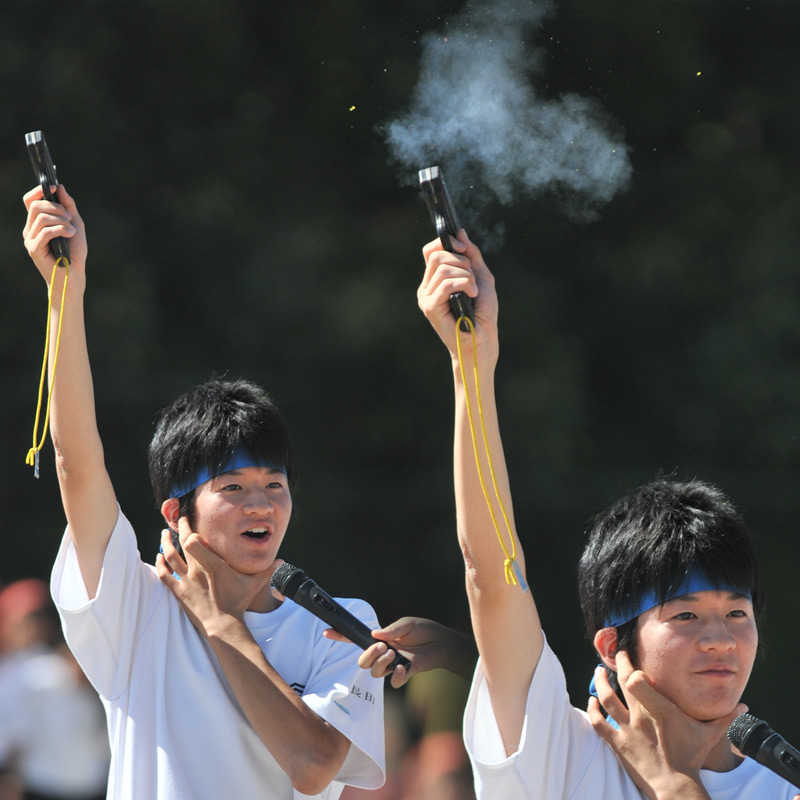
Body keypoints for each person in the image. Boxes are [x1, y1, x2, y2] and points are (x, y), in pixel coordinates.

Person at [354, 228, 797, 799]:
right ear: (613, 647)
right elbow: (492, 573)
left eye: (737, 613)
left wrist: (672, 785)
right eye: (686, 615)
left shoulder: (781, 786)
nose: (721, 640)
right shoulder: (559, 755)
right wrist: (472, 363)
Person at [21, 184, 385, 800]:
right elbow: (76, 463)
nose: (262, 504)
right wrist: (66, 290)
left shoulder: (340, 624)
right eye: (233, 487)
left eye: (275, 485)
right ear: (176, 513)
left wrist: (220, 621)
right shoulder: (136, 606)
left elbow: (312, 766)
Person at [0, 579, 109, 800]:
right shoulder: (30, 671)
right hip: (70, 784)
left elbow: (13, 741)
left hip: (64, 783)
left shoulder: (34, 671)